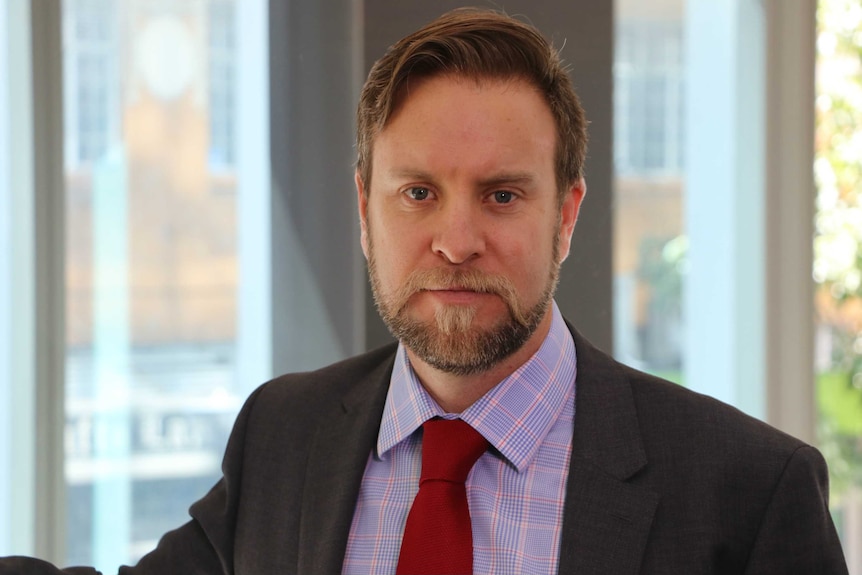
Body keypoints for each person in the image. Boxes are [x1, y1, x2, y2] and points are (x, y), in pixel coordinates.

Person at [0, 7, 849, 575]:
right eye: (418, 193)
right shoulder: (284, 437)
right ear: (364, 208)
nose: (454, 239)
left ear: (567, 214)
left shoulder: (750, 492)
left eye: (503, 194)